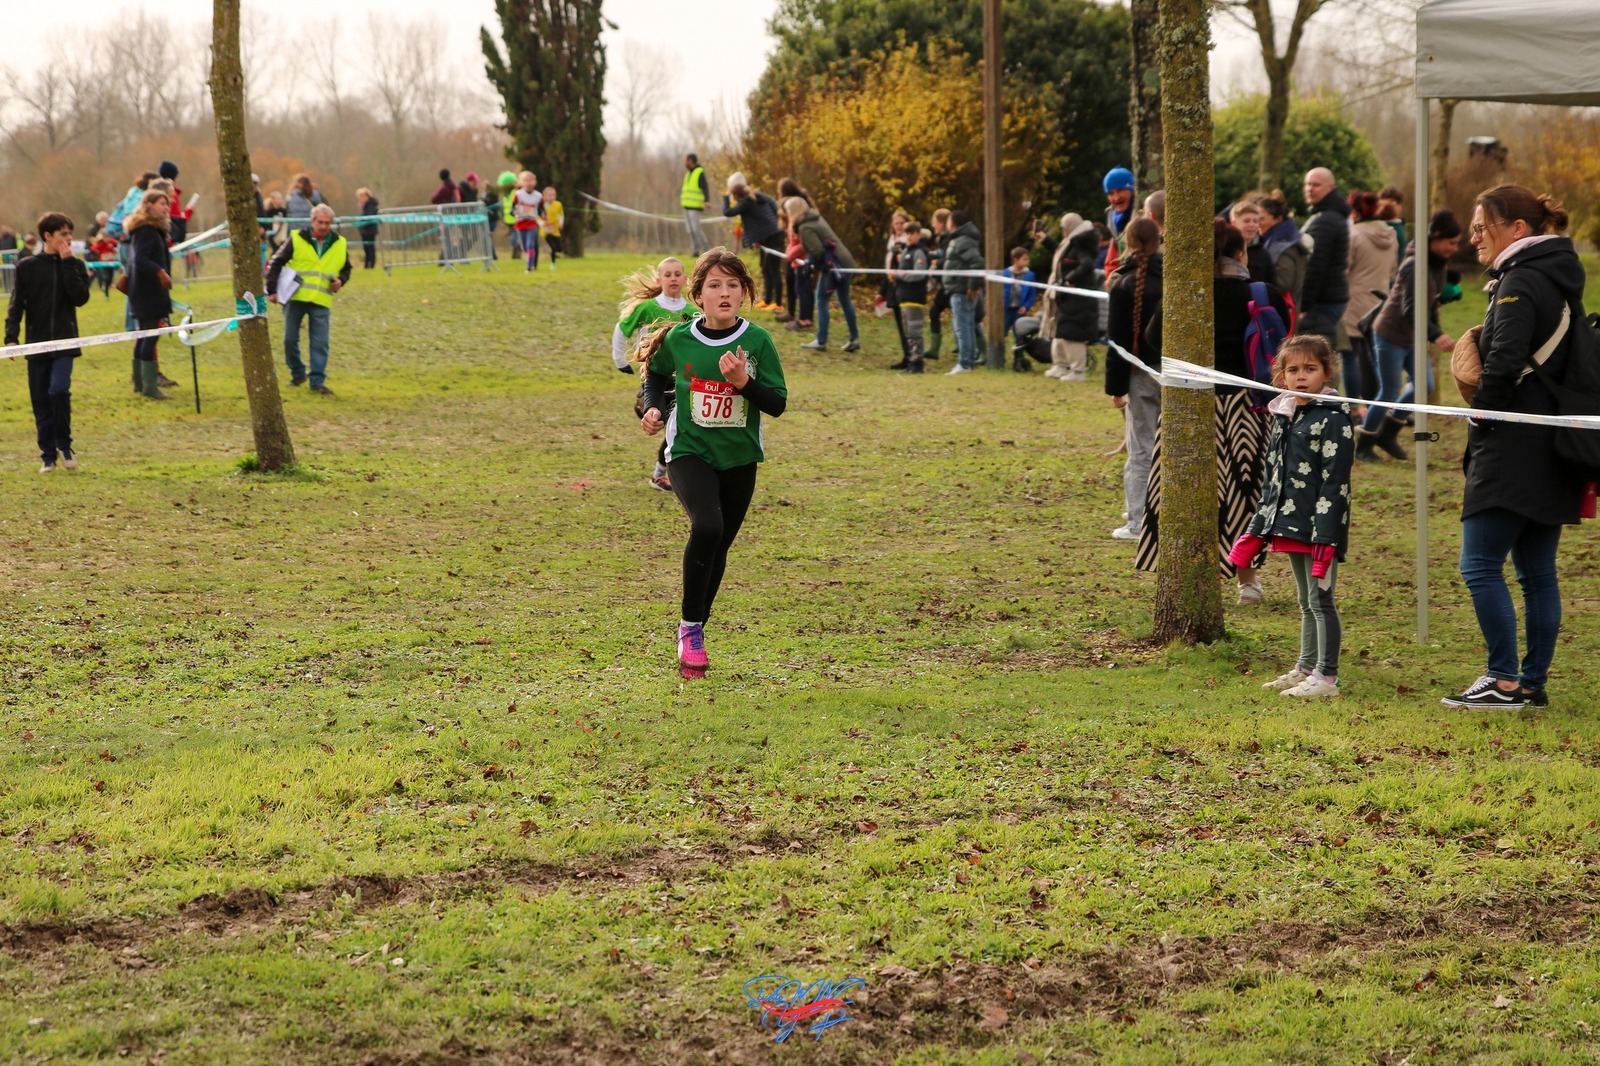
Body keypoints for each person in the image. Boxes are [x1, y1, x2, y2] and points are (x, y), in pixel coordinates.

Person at [1443, 185, 1588, 710]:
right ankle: (1531, 684)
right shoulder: (1557, 274)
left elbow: (1505, 359)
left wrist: (1482, 412)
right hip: (1555, 443)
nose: (1474, 238)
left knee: (1479, 564)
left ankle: (1503, 680)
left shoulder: (1520, 279)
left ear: (1517, 229)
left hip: (1514, 444)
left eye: (1482, 227)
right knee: (1536, 573)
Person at [637, 248, 788, 676]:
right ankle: (689, 628)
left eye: (732, 285)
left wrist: (743, 382)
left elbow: (777, 404)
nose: (724, 293)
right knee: (708, 526)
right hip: (689, 450)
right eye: (714, 285)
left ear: (744, 293)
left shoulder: (757, 341)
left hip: (739, 457)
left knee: (719, 544)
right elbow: (656, 374)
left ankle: (697, 625)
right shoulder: (680, 339)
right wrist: (654, 407)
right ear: (698, 295)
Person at [1136, 221, 1293, 604]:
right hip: (1248, 407)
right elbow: (1284, 342)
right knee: (1246, 494)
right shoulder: (1263, 293)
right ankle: (1248, 582)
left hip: (1189, 405)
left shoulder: (1184, 293)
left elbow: (1152, 340)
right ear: (1240, 253)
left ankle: (1184, 577)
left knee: (1182, 491)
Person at [1228, 335, 1354, 699]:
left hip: (1320, 529)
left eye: (1310, 369)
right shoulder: (1283, 415)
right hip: (1290, 523)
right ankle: (1306, 666)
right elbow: (1273, 477)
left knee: (1321, 600)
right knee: (1305, 601)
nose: (1301, 376)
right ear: (1281, 375)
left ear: (1327, 373)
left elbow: (1335, 483)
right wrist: (1260, 526)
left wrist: (1325, 535)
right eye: (1293, 369)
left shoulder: (1333, 418)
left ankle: (1326, 678)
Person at [1360, 210, 1460, 462]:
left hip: (1412, 336)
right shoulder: (1415, 265)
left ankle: (1388, 433)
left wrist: (1444, 299)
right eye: (1451, 242)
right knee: (1389, 391)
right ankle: (1364, 443)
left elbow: (1430, 302)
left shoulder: (1438, 264)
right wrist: (1436, 335)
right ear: (1435, 236)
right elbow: (1412, 310)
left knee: (1424, 385)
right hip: (1390, 334)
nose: (1454, 248)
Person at [5, 212, 91, 472]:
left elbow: (80, 298)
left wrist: (68, 263)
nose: (69, 238)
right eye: (64, 234)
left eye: (70, 233)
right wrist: (11, 337)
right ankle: (48, 455)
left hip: (65, 342)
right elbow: (16, 305)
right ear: (48, 236)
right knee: (40, 399)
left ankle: (65, 445)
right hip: (37, 343)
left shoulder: (75, 265)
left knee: (59, 390)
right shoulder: (27, 267)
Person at [614, 257, 695, 491]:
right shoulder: (648, 308)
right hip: (654, 378)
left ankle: (662, 474)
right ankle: (663, 472)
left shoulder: (692, 312)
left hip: (680, 380)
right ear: (660, 280)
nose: (673, 278)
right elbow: (621, 328)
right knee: (671, 425)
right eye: (668, 275)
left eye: (677, 274)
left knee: (680, 427)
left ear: (685, 279)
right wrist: (620, 360)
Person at [1106, 217, 1164, 541]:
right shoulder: (1172, 278)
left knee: (1141, 448)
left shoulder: (1122, 284)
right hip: (1176, 374)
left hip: (1140, 375)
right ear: (1159, 240)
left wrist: (1115, 389)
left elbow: (1117, 344)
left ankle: (1138, 522)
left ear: (1127, 242)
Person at [266, 203, 351, 397]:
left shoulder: (340, 243)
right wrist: (272, 290)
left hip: (321, 300)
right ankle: (298, 373)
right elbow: (276, 262)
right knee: (289, 340)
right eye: (320, 222)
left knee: (320, 343)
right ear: (312, 222)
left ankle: (317, 381)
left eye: (327, 223)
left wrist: (341, 281)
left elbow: (347, 269)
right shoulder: (296, 238)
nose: (324, 226)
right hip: (295, 297)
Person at [1342, 191, 1400, 401]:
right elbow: (1393, 270)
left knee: (1351, 357)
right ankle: (1381, 402)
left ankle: (1356, 406)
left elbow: (1344, 269)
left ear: (1355, 211)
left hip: (1354, 301)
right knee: (1377, 357)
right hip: (1380, 300)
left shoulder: (1352, 235)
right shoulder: (1391, 234)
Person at [788, 197, 861, 353]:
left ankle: (821, 340)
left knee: (821, 300)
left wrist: (810, 264)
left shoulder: (805, 227)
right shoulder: (816, 218)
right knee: (844, 300)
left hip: (834, 266)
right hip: (845, 262)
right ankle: (854, 338)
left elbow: (818, 251)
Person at [124, 189, 174, 401]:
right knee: (150, 335)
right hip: (147, 291)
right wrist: (160, 272)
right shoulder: (146, 229)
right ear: (149, 204)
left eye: (167, 203)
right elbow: (140, 259)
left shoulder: (152, 228)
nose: (166, 207)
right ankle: (149, 386)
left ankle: (140, 382)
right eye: (162, 203)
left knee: (145, 335)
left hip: (145, 290)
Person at [1037, 213, 1098, 381]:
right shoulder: (1070, 242)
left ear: (1071, 228)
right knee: (1060, 332)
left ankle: (1078, 371)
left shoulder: (1082, 244)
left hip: (1079, 300)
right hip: (1066, 297)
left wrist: (1069, 278)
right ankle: (1060, 365)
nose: (1062, 231)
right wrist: (1045, 240)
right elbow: (1061, 254)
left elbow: (1087, 265)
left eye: (1064, 228)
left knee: (1072, 335)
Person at [1299, 167, 1351, 345]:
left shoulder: (1325, 220)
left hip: (1321, 301)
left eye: (1316, 185)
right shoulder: (1328, 216)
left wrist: (1303, 305)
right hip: (1329, 298)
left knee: (1316, 353)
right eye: (1307, 184)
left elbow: (1315, 266)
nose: (1310, 189)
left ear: (1331, 187)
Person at [721, 173, 783, 311]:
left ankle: (778, 304)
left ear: (736, 196)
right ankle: (767, 300)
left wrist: (726, 196)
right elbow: (773, 206)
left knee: (774, 270)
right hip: (768, 236)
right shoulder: (757, 196)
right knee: (765, 268)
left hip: (773, 236)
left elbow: (728, 212)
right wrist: (758, 237)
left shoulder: (746, 202)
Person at [942, 209, 985, 373]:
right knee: (967, 326)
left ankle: (965, 363)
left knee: (962, 328)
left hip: (962, 291)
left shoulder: (963, 241)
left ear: (952, 223)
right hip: (959, 289)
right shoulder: (960, 239)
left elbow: (977, 263)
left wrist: (972, 287)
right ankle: (969, 362)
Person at [890, 220, 931, 373]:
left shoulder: (919, 252)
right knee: (908, 333)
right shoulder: (907, 251)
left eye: (912, 233)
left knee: (915, 332)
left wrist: (899, 276)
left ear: (918, 234)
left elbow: (918, 274)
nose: (909, 236)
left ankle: (918, 363)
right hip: (904, 297)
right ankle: (911, 361)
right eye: (907, 233)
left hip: (915, 297)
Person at [776, 177, 812, 328]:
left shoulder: (799, 206)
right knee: (792, 281)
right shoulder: (791, 206)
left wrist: (791, 253)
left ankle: (805, 318)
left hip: (801, 256)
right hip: (793, 252)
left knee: (803, 288)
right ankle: (791, 312)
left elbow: (804, 241)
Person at [1260, 196, 1309, 305]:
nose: (1257, 223)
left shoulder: (1282, 248)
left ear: (1278, 219)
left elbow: (1282, 284)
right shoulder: (1289, 240)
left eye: (1262, 219)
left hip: (1282, 310)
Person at [924, 208, 953, 358]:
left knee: (935, 311)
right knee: (935, 311)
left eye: (934, 222)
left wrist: (937, 263)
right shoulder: (944, 238)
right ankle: (935, 349)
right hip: (947, 284)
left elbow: (949, 259)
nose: (932, 225)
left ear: (941, 223)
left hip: (951, 284)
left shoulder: (947, 238)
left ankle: (935, 349)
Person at [1102, 167, 1137, 276]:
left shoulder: (1144, 213)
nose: (1116, 198)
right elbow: (1112, 259)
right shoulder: (1111, 218)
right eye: (1111, 193)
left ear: (1132, 191)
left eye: (1120, 190)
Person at [1230, 200, 1274, 284]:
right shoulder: (1225, 250)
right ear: (1234, 223)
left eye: (1255, 221)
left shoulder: (1263, 254)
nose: (1252, 225)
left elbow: (1271, 285)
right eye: (1246, 221)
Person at [511, 172, 543, 272]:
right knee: (524, 247)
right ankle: (530, 262)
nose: (528, 183)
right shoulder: (518, 194)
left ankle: (529, 267)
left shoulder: (538, 196)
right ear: (522, 183)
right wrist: (514, 211)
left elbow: (541, 209)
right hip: (520, 224)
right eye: (526, 181)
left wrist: (543, 214)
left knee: (530, 245)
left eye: (531, 180)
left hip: (532, 223)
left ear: (535, 182)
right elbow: (513, 208)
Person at [1002, 247, 1037, 338]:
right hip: (1006, 309)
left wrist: (1026, 306)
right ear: (1015, 260)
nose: (1027, 261)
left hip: (1020, 310)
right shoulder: (1005, 273)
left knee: (1020, 334)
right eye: (1024, 259)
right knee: (1001, 332)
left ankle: (1019, 347)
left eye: (1027, 259)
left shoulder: (1030, 275)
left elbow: (1032, 294)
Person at [681, 153, 711, 257]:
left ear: (691, 161)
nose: (684, 162)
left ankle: (707, 250)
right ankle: (695, 251)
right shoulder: (688, 174)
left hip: (695, 206)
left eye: (686, 160)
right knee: (690, 231)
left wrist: (707, 200)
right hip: (686, 206)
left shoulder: (699, 172)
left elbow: (705, 187)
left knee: (696, 229)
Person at [356, 188, 381, 270]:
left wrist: (362, 225)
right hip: (364, 230)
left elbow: (368, 217)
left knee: (370, 248)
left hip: (370, 230)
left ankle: (371, 264)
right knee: (366, 248)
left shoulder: (371, 205)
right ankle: (367, 264)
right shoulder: (365, 205)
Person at [542, 186, 565, 270]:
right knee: (553, 247)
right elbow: (537, 217)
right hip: (546, 230)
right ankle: (553, 264)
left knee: (560, 248)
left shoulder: (558, 204)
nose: (551, 197)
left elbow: (561, 215)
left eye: (553, 195)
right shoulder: (542, 205)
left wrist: (561, 223)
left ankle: (552, 252)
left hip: (555, 229)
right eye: (549, 195)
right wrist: (543, 223)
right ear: (544, 196)